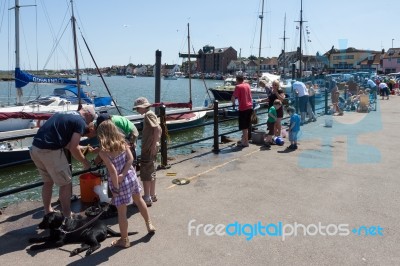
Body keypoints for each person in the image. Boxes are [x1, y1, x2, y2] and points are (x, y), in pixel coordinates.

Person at [96, 120, 155, 248]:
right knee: (139, 200)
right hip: (131, 176)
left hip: (119, 183)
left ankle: (124, 240)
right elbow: (131, 159)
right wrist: (124, 173)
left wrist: (116, 188)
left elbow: (112, 171)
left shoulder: (103, 152)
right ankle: (149, 224)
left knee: (122, 212)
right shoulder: (123, 143)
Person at [30, 105, 96, 218]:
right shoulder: (80, 121)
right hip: (50, 152)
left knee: (48, 182)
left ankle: (48, 211)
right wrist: (85, 162)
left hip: (35, 149)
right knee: (66, 183)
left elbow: (62, 139)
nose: (88, 123)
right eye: (91, 120)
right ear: (88, 115)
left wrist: (79, 147)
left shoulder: (65, 113)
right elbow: (73, 148)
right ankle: (67, 215)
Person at [134, 97, 161, 207]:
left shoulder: (148, 115)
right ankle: (152, 194)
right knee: (151, 170)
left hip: (148, 148)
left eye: (137, 108)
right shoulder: (151, 114)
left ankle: (147, 197)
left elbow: (157, 129)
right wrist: (156, 143)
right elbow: (158, 129)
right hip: (151, 147)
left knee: (145, 173)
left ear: (142, 107)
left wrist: (154, 144)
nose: (137, 111)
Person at [231, 74, 253, 147]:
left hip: (243, 108)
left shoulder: (238, 86)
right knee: (247, 125)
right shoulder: (247, 85)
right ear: (243, 79)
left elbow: (233, 98)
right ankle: (244, 140)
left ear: (237, 80)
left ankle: (245, 142)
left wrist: (233, 104)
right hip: (250, 107)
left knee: (244, 127)